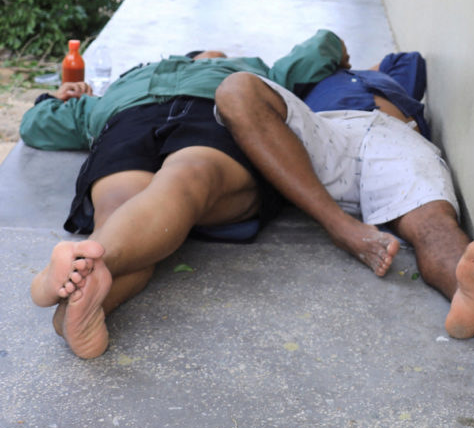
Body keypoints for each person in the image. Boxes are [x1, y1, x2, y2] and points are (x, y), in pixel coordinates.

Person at [24, 31, 345, 359]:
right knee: (122, 214)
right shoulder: (125, 83)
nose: (213, 54)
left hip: (212, 113)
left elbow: (323, 45)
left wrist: (337, 51)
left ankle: (85, 266)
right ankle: (75, 313)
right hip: (129, 118)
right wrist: (59, 98)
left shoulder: (250, 77)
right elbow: (35, 124)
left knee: (184, 180)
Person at [213, 54, 474, 341]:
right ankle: (341, 226)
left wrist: (366, 72)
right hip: (328, 137)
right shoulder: (306, 81)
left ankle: (463, 291)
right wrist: (330, 64)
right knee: (236, 89)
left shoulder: (385, 78)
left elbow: (410, 61)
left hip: (393, 140)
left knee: (430, 222)